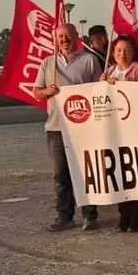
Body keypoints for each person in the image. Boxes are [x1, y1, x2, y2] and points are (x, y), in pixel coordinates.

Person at [32, 23, 103, 232]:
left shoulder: (89, 61)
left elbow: (99, 90)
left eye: (68, 35)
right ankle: (65, 215)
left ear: (76, 36)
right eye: (60, 36)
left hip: (84, 128)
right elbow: (36, 91)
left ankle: (90, 215)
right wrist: (46, 91)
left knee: (86, 173)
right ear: (56, 39)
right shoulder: (48, 63)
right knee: (61, 175)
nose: (64, 39)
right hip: (56, 127)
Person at [100, 34, 138, 233]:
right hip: (116, 131)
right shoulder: (108, 71)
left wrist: (120, 85)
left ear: (134, 52)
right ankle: (123, 215)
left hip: (137, 130)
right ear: (113, 53)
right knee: (119, 174)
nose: (123, 54)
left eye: (127, 50)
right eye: (119, 50)